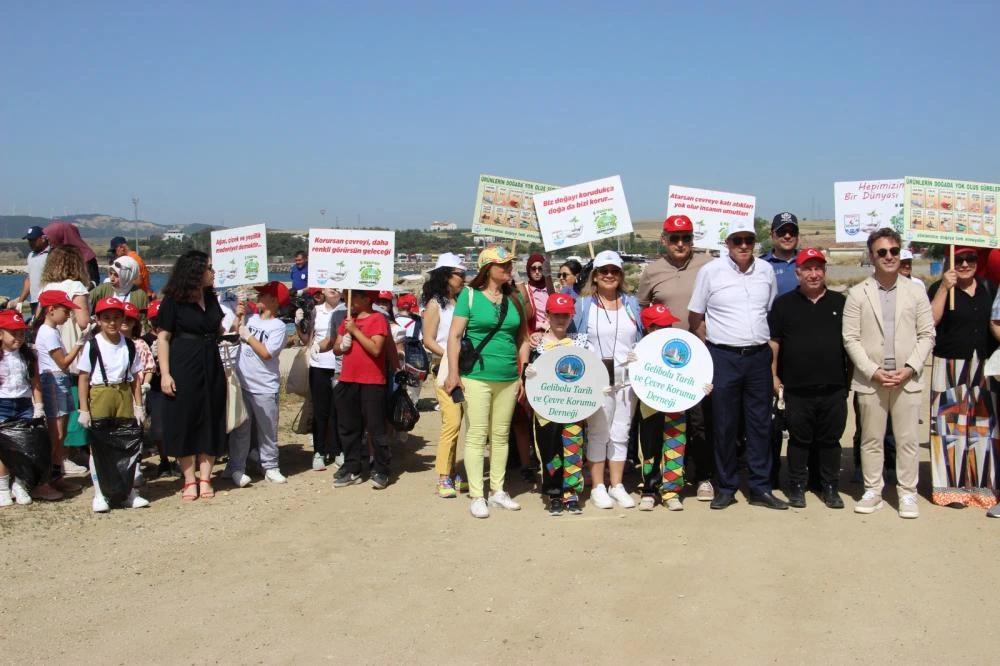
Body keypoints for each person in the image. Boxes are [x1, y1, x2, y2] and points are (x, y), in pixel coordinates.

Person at [688, 220, 787, 510]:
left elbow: (767, 312)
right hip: (724, 357)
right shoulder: (710, 271)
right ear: (727, 243)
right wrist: (716, 346)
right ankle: (727, 486)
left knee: (759, 424)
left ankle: (760, 487)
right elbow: (696, 317)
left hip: (757, 357)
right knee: (724, 424)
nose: (743, 245)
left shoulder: (766, 271)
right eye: (737, 240)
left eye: (748, 240)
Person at [843, 227, 935, 518]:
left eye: (894, 251)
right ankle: (873, 491)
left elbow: (927, 335)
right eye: (882, 252)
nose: (889, 256)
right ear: (871, 256)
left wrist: (910, 369)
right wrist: (872, 371)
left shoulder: (916, 291)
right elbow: (851, 339)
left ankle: (907, 493)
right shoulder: (857, 293)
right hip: (872, 380)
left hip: (906, 378)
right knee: (871, 438)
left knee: (907, 439)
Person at [444, 246, 528, 518]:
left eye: (509, 264)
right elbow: (454, 336)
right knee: (478, 434)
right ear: (486, 268)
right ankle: (477, 494)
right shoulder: (469, 296)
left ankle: (498, 491)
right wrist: (454, 374)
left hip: (508, 377)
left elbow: (523, 339)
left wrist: (522, 373)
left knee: (501, 436)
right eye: (501, 264)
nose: (507, 268)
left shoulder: (514, 297)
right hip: (476, 377)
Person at [637, 214, 715, 501]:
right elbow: (643, 306)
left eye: (686, 237)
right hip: (665, 359)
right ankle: (659, 478)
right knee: (662, 420)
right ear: (664, 240)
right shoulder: (652, 271)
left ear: (693, 239)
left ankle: (704, 476)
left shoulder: (708, 265)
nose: (680, 243)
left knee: (700, 420)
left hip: (701, 355)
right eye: (674, 237)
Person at [767, 248, 848, 509]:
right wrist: (774, 376)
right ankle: (797, 486)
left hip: (833, 385)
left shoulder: (840, 303)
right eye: (808, 269)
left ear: (824, 271)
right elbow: (774, 343)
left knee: (830, 440)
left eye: (818, 268)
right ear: (798, 272)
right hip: (797, 387)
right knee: (799, 440)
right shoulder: (783, 304)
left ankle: (830, 487)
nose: (814, 274)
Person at [928, 247, 998, 510]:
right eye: (960, 259)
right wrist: (945, 288)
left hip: (983, 363)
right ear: (951, 261)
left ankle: (981, 487)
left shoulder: (988, 288)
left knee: (983, 428)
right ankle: (950, 489)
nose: (965, 264)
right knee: (949, 427)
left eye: (971, 259)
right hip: (949, 363)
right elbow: (931, 320)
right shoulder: (939, 287)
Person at [572, 250, 642, 510]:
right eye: (604, 271)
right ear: (595, 275)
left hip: (627, 379)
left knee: (621, 432)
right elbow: (569, 335)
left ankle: (617, 484)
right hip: (597, 378)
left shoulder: (632, 304)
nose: (609, 276)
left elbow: (642, 337)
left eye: (614, 271)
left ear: (621, 275)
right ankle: (598, 486)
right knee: (599, 431)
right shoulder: (583, 305)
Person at [156, 250, 228, 501]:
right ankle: (189, 479)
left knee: (211, 415)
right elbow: (163, 337)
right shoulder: (173, 301)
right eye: (209, 267)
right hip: (183, 362)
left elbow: (218, 329)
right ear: (196, 271)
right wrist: (165, 374)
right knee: (184, 418)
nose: (213, 272)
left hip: (211, 361)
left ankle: (206, 476)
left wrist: (235, 319)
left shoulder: (211, 297)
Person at [634, 303, 713, 512]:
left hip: (677, 405)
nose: (667, 328)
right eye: (660, 325)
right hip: (650, 406)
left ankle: (671, 490)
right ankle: (649, 490)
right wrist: (631, 363)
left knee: (676, 446)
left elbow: (696, 370)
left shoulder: (679, 345)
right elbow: (632, 379)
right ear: (649, 328)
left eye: (668, 323)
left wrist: (704, 385)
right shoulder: (641, 349)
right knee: (650, 449)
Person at [77, 297, 149, 512]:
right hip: (100, 394)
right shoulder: (93, 345)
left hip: (124, 392)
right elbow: (83, 377)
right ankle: (101, 494)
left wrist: (138, 405)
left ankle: (128, 492)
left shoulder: (129, 345)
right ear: (98, 320)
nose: (112, 323)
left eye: (116, 318)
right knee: (99, 446)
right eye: (106, 318)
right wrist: (83, 408)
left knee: (127, 444)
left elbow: (136, 376)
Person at [523, 292, 588, 515]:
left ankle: (571, 493)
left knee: (572, 450)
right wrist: (527, 372)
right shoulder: (537, 344)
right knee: (549, 451)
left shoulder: (581, 341)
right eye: (556, 314)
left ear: (571, 316)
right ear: (548, 315)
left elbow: (590, 372)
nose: (561, 319)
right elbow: (526, 371)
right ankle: (553, 493)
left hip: (573, 408)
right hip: (546, 408)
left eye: (566, 315)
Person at [224, 282, 290, 487]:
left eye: (264, 295)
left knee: (267, 430)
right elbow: (234, 330)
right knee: (241, 430)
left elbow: (266, 353)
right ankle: (236, 467)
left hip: (265, 387)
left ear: (274, 301)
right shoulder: (251, 318)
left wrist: (248, 335)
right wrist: (239, 315)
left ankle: (271, 466)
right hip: (243, 383)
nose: (258, 298)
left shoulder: (278, 327)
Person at [326, 290, 391, 490]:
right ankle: (352, 466)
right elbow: (336, 347)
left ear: (366, 299)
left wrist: (355, 332)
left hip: (371, 380)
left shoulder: (378, 319)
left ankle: (381, 469)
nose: (348, 301)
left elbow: (376, 349)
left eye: (352, 297)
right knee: (348, 427)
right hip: (347, 378)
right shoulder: (347, 319)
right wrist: (342, 346)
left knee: (375, 427)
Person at [33, 290, 91, 501]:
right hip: (53, 380)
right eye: (65, 310)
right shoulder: (47, 333)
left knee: (61, 433)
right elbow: (63, 362)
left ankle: (57, 476)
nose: (68, 315)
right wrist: (79, 343)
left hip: (59, 380)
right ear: (51, 310)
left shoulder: (52, 331)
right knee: (55, 435)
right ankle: (46, 479)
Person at [39, 246, 94, 461]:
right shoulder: (76, 286)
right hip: (71, 347)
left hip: (50, 350)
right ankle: (72, 450)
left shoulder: (46, 287)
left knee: (57, 409)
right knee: (73, 397)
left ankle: (63, 454)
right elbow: (82, 321)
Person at [422, 253, 467, 498]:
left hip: (462, 365)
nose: (463, 278)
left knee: (460, 423)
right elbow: (428, 339)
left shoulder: (460, 302)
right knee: (451, 422)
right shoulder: (434, 304)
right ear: (446, 275)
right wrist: (451, 354)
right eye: (459, 274)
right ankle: (443, 476)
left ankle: (451, 471)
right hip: (444, 367)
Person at [0, 310, 45, 507]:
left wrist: (39, 406)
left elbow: (35, 383)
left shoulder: (28, 355)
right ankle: (2, 487)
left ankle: (20, 484)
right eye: (13, 333)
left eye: (21, 333)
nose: (18, 338)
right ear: (1, 333)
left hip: (24, 404)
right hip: (2, 404)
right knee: (3, 449)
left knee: (24, 447)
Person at [302, 288, 346, 471]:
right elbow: (308, 338)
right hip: (319, 365)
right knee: (320, 411)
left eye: (337, 287)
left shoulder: (347, 310)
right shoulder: (316, 310)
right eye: (329, 286)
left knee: (340, 411)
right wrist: (300, 324)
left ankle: (339, 450)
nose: (333, 290)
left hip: (340, 366)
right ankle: (319, 451)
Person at [9, 226, 50, 317]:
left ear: (43, 239)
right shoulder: (31, 255)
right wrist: (20, 301)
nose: (30, 243)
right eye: (29, 240)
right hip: (34, 301)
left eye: (33, 240)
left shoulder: (52, 254)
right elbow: (29, 279)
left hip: (48, 301)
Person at [43, 221, 99, 287]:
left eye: (49, 239)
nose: (48, 242)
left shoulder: (86, 257)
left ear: (59, 236)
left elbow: (94, 281)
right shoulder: (53, 255)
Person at [761, 212, 800, 296]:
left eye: (792, 232)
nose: (787, 236)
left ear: (797, 235)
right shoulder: (760, 265)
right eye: (782, 232)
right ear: (771, 235)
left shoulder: (808, 262)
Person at [521, 253, 554, 332]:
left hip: (551, 331)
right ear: (528, 270)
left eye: (540, 268)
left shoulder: (551, 289)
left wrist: (548, 325)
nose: (537, 272)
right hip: (532, 333)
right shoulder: (525, 290)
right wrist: (541, 325)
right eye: (533, 268)